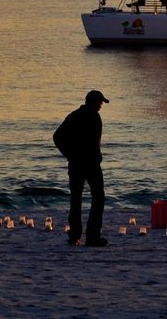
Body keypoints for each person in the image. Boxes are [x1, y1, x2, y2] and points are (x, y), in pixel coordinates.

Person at [53, 90, 110, 247]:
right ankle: (85, 236)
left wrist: (70, 155)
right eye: (99, 103)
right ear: (92, 102)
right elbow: (57, 136)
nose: (100, 106)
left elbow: (58, 137)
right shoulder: (77, 116)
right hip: (83, 164)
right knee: (89, 199)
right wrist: (70, 154)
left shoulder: (83, 116)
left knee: (85, 199)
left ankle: (82, 236)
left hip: (87, 163)